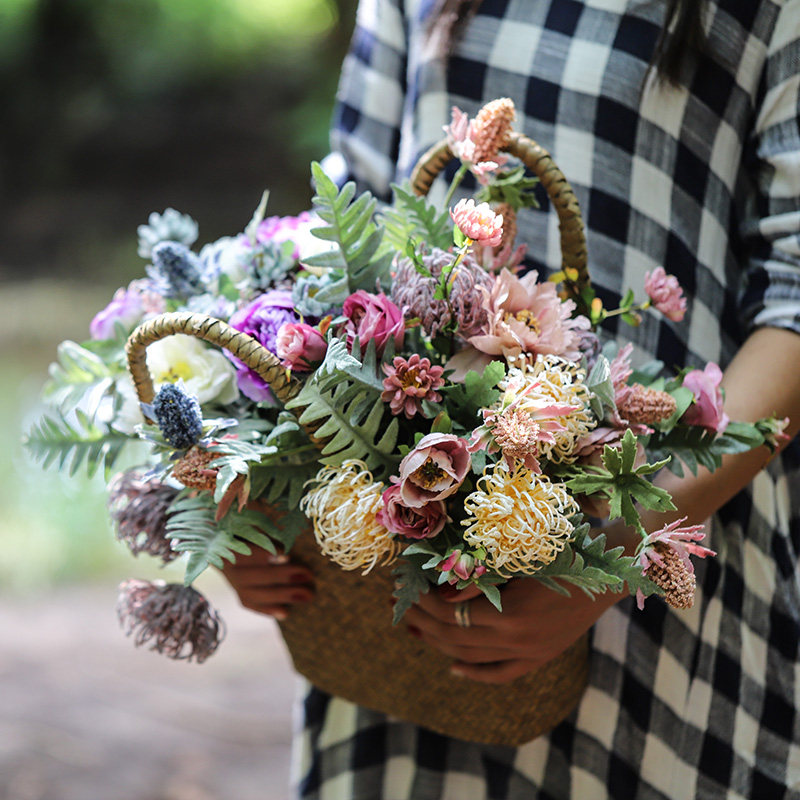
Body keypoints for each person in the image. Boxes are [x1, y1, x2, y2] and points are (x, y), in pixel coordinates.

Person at [223, 0, 800, 796]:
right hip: (404, 583)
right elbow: (339, 230)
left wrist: (606, 565)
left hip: (662, 540)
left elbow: (794, 304)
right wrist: (260, 508)